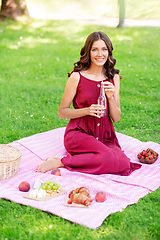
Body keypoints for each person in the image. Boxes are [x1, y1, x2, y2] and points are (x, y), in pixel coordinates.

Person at [36, 31, 141, 175]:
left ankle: (68, 159)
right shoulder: (76, 77)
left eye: (104, 49)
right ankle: (61, 161)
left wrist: (110, 97)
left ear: (109, 51)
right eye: (95, 49)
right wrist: (87, 110)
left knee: (123, 163)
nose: (100, 54)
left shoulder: (113, 77)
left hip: (105, 136)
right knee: (108, 157)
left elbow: (116, 118)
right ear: (88, 52)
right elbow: (62, 112)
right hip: (79, 133)